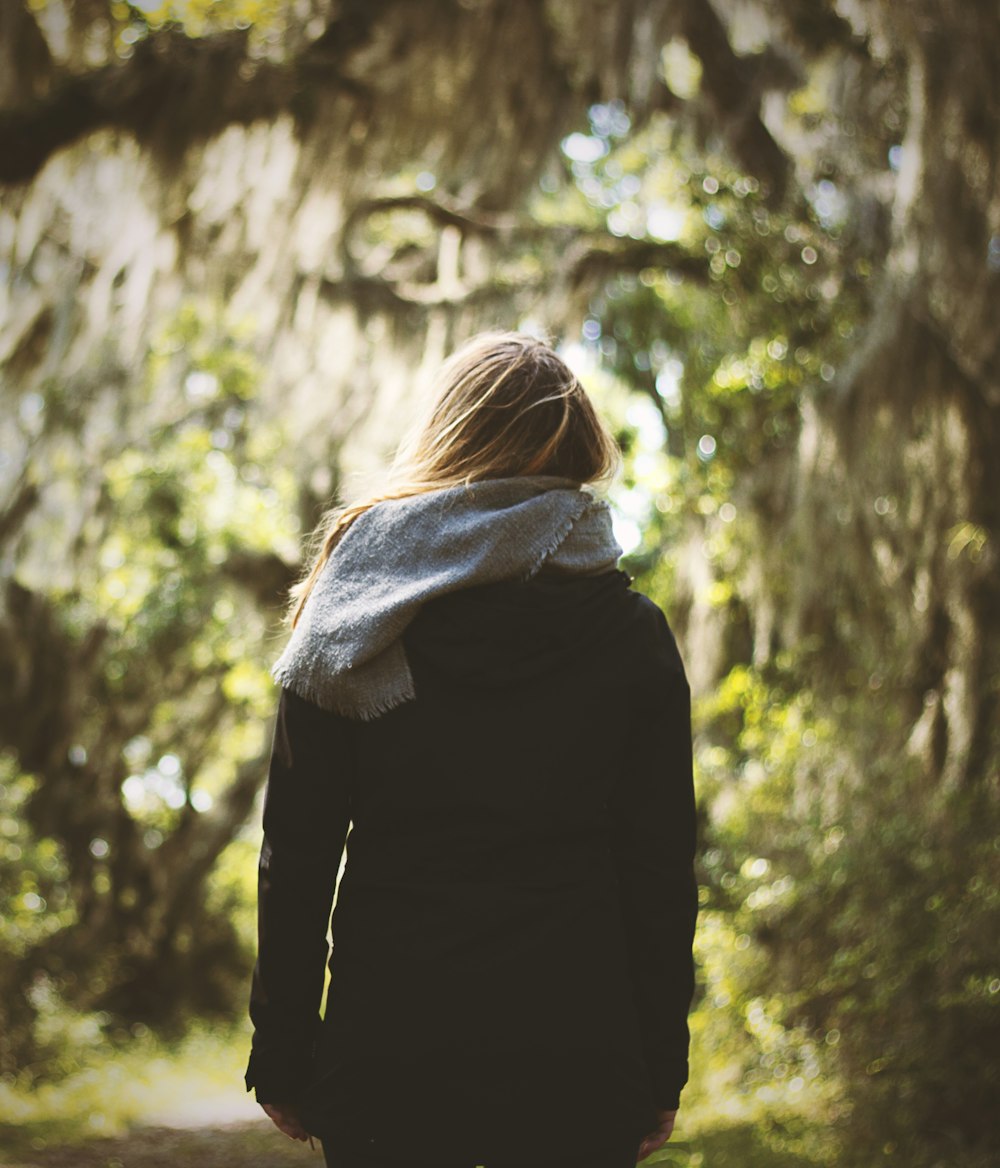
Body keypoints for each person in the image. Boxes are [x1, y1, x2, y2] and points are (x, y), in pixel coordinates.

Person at [244, 332, 697, 1168]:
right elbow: (661, 870)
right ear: (580, 454)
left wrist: (283, 1049)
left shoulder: (355, 615)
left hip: (392, 1049)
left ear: (447, 438)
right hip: (579, 1052)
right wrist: (660, 1066)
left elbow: (298, 855)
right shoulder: (633, 635)